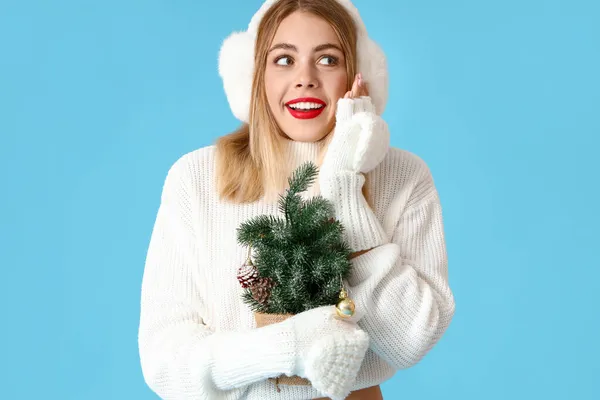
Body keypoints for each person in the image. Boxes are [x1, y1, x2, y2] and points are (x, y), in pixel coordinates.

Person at [137, 0, 456, 399]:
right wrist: (286, 347)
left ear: (357, 75)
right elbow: (165, 360)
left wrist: (344, 186)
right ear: (255, 77)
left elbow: (408, 341)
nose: (305, 78)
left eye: (327, 59)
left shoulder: (404, 177)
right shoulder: (197, 178)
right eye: (284, 60)